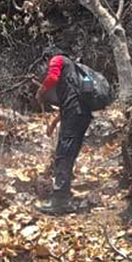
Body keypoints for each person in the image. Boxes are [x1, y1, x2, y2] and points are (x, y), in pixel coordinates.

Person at [35, 47, 91, 215]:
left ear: (47, 57)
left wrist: (40, 92)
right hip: (83, 115)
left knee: (63, 155)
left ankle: (59, 202)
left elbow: (52, 77)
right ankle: (64, 196)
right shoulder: (74, 69)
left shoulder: (57, 60)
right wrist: (53, 125)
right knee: (69, 154)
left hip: (74, 114)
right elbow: (72, 103)